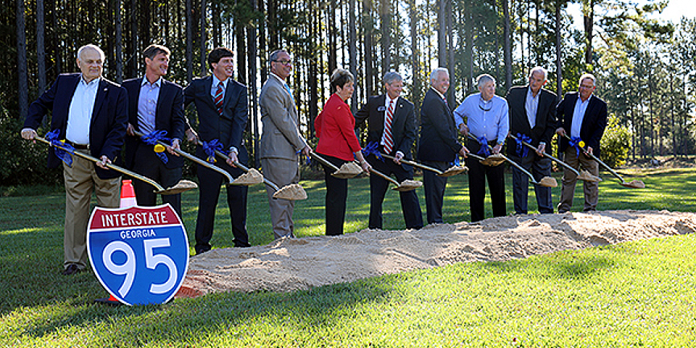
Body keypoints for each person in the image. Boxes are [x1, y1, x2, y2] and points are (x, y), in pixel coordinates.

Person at [21, 44, 128, 275]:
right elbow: (40, 104)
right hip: (72, 156)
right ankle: (74, 262)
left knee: (109, 212)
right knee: (75, 210)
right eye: (90, 62)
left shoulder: (117, 91)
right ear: (79, 63)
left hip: (105, 159)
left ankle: (110, 262)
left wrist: (107, 153)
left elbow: (118, 129)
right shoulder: (64, 82)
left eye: (99, 62)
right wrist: (30, 125)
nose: (95, 66)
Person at [184, 47, 250, 254]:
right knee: (207, 199)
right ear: (214, 65)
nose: (230, 65)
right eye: (226, 62)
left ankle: (241, 243)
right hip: (208, 153)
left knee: (238, 198)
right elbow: (177, 106)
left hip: (234, 152)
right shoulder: (198, 86)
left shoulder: (240, 90)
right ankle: (202, 246)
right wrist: (188, 130)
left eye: (232, 62)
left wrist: (233, 149)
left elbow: (240, 121)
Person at [123, 44, 186, 217]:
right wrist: (125, 123)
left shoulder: (175, 90)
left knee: (173, 207)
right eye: (161, 59)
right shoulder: (127, 87)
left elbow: (178, 120)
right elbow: (118, 114)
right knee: (144, 205)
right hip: (141, 153)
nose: (166, 63)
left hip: (169, 152)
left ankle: (175, 242)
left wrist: (176, 140)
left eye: (167, 60)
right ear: (148, 61)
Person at [355, 71, 423, 230]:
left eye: (401, 86)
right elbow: (355, 121)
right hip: (379, 159)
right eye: (396, 86)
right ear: (387, 86)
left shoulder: (407, 107)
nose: (400, 89)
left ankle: (416, 229)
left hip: (400, 158)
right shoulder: (373, 102)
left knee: (409, 194)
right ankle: (374, 230)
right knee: (376, 196)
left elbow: (410, 133)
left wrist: (401, 152)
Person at [259, 49, 311, 239]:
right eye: (284, 61)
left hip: (287, 151)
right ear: (273, 65)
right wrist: (302, 143)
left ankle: (288, 236)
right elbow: (283, 121)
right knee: (281, 196)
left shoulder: (281, 86)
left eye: (290, 62)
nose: (288, 65)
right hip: (277, 151)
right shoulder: (271, 88)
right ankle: (281, 238)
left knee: (289, 197)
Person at [314, 68, 372, 236]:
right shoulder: (339, 106)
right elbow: (350, 134)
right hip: (334, 156)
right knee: (337, 196)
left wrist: (324, 137)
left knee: (335, 195)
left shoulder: (331, 102)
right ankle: (334, 235)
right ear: (338, 88)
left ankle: (333, 233)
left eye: (352, 85)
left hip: (329, 153)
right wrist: (362, 160)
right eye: (348, 86)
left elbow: (318, 122)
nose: (352, 89)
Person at [454, 74, 509, 222]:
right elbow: (456, 113)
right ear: (480, 89)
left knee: (497, 184)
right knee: (476, 185)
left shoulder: (501, 103)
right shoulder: (470, 100)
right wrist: (461, 125)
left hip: (494, 147)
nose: (492, 89)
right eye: (488, 87)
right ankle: (477, 221)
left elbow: (504, 125)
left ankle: (500, 220)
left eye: (493, 86)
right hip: (474, 146)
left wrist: (499, 144)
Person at [417, 68, 469, 225]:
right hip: (434, 154)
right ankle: (435, 223)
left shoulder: (438, 98)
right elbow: (442, 128)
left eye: (447, 80)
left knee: (438, 191)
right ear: (433, 81)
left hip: (440, 154)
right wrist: (458, 147)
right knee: (434, 191)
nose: (446, 83)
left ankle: (436, 221)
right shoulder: (433, 100)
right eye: (442, 80)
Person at [505, 67, 557, 215]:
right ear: (529, 78)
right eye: (532, 78)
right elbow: (504, 111)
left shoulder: (550, 98)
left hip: (541, 147)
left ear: (544, 82)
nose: (534, 82)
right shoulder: (515, 93)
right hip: (520, 146)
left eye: (538, 80)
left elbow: (551, 124)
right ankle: (521, 212)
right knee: (520, 181)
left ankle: (546, 213)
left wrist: (544, 142)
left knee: (544, 181)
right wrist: (506, 128)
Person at [555, 73, 607, 213]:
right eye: (582, 86)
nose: (584, 89)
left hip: (588, 148)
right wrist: (559, 126)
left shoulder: (600, 105)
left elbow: (599, 128)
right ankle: (564, 209)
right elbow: (557, 112)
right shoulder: (569, 98)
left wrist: (591, 145)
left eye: (588, 87)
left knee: (591, 180)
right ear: (579, 86)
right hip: (571, 146)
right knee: (568, 179)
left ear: (593, 88)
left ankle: (590, 209)